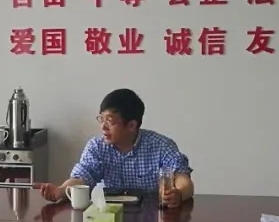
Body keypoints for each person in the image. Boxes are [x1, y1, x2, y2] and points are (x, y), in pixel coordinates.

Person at [38, 89, 193, 208]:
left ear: (131, 125)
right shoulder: (97, 146)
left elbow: (183, 179)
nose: (103, 127)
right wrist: (60, 191)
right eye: (101, 119)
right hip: (110, 218)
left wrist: (178, 194)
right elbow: (82, 177)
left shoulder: (161, 146)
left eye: (110, 121)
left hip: (152, 221)